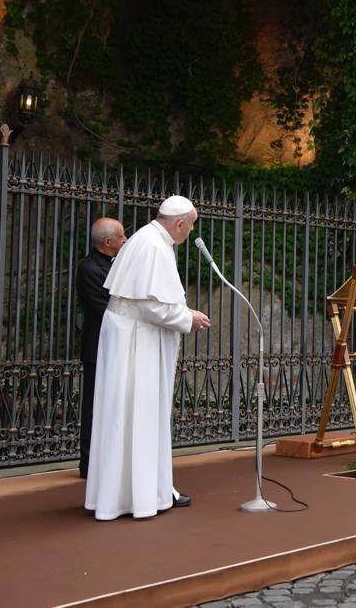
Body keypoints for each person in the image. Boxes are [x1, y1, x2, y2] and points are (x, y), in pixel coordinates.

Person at [84, 196, 211, 521]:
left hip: (132, 337)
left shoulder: (147, 238)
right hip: (135, 344)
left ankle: (140, 492)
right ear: (180, 223)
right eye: (191, 225)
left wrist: (182, 313)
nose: (191, 231)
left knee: (129, 416)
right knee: (136, 414)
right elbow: (151, 306)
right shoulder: (154, 246)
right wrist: (188, 318)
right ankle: (134, 497)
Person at [75, 217, 127, 479]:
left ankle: (109, 459)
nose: (125, 240)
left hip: (116, 346)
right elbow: (107, 307)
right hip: (98, 348)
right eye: (121, 236)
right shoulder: (89, 269)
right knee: (94, 406)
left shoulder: (116, 263)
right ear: (107, 242)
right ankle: (88, 463)